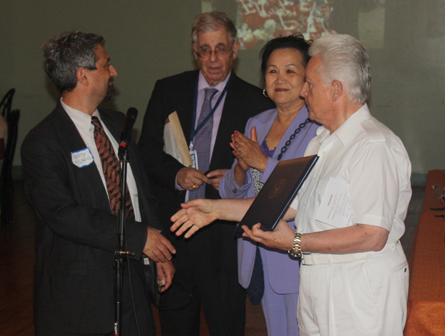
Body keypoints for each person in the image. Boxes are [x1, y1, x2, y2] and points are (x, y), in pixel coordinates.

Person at [171, 34, 412, 336]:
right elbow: (284, 203)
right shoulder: (322, 141)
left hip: (359, 293)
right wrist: (214, 208)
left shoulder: (373, 145)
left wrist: (296, 243)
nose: (304, 92)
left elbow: (372, 235)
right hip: (319, 287)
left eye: (309, 83)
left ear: (335, 90)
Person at [22, 31, 176, 336]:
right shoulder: (42, 142)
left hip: (134, 286)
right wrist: (138, 237)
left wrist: (157, 250)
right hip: (81, 298)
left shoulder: (119, 124)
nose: (114, 71)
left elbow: (141, 195)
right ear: (83, 75)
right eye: (106, 65)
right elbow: (63, 215)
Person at [138, 11, 274, 336]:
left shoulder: (256, 102)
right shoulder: (167, 89)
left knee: (227, 327)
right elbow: (147, 152)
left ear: (235, 49)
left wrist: (234, 175)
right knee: (175, 326)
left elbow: (260, 172)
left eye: (221, 49)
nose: (213, 59)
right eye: (205, 50)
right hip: (175, 234)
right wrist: (177, 174)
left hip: (224, 242)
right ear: (195, 51)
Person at [218, 34, 319, 336]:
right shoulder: (257, 122)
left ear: (307, 79)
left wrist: (262, 162)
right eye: (272, 70)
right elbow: (229, 191)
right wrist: (240, 168)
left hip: (295, 252)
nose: (280, 79)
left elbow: (308, 188)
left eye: (290, 70)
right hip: (258, 250)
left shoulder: (317, 127)